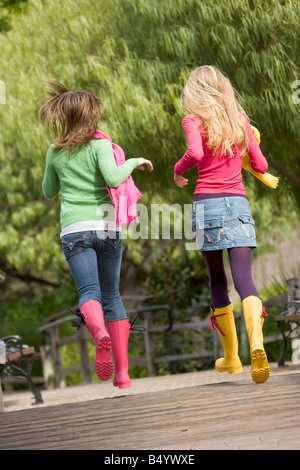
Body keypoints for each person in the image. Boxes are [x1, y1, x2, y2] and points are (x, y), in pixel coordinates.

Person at [40, 81, 153, 389]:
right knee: (113, 295)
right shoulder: (101, 145)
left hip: (75, 230)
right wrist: (135, 161)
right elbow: (115, 178)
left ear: (64, 116)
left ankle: (99, 332)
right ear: (91, 117)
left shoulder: (54, 151)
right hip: (107, 228)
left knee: (89, 292)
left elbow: (49, 192)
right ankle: (123, 374)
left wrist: (56, 167)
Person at [174, 65, 270, 384]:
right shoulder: (239, 122)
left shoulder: (193, 121)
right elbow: (262, 165)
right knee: (245, 279)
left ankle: (232, 358)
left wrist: (178, 169)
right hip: (239, 204)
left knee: (218, 279)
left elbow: (195, 152)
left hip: (207, 206)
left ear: (194, 93)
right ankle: (257, 343)